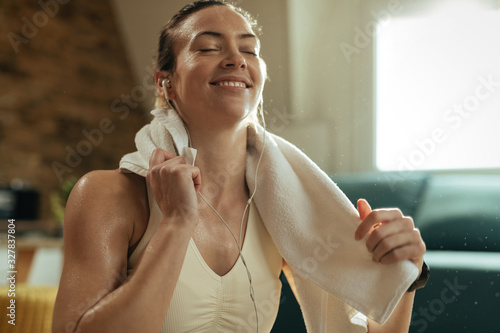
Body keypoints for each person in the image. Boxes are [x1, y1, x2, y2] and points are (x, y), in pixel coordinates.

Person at [52, 1, 427, 332]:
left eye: (249, 49)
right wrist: (177, 222)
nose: (237, 59)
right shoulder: (108, 195)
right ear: (166, 83)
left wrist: (406, 271)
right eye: (210, 47)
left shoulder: (281, 206)